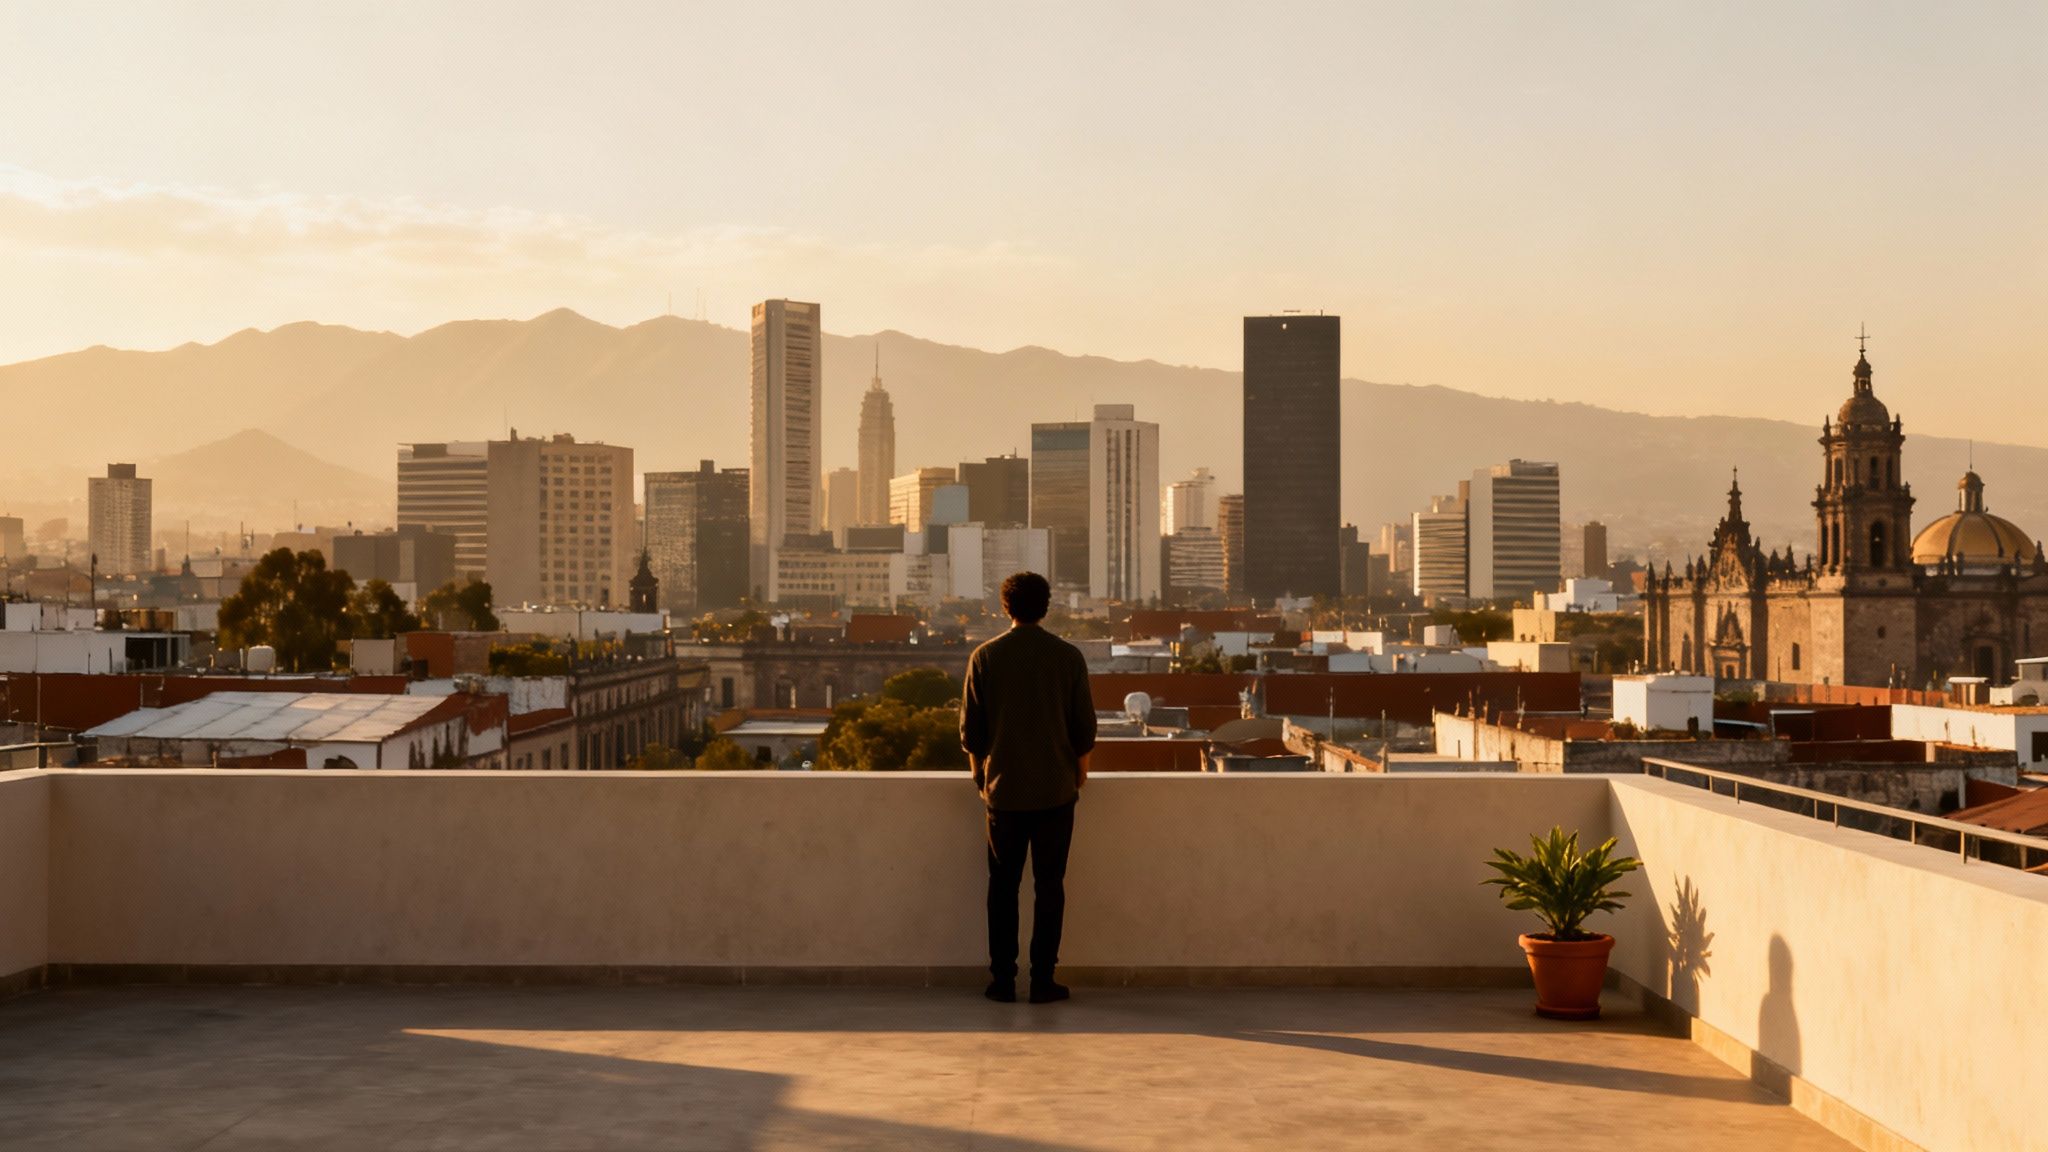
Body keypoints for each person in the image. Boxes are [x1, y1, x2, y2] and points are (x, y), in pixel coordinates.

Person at [960, 570, 1096, 1004]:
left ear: (1005, 608)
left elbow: (972, 733)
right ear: (1046, 606)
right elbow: (1084, 730)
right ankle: (1042, 980)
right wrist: (1079, 773)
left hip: (1004, 791)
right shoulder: (1068, 657)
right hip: (1056, 790)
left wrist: (981, 776)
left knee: (1002, 887)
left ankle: (1002, 980)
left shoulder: (985, 657)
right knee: (1049, 886)